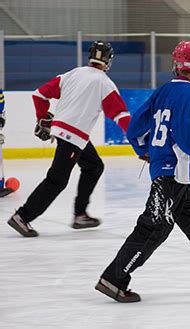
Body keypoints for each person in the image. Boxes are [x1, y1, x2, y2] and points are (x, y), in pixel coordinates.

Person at [95, 41, 190, 303]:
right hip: (170, 174)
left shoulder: (162, 91)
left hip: (174, 174)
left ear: (176, 65)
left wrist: (144, 150)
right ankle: (114, 279)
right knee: (154, 226)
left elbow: (134, 130)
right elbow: (189, 136)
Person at [7, 41, 131, 237]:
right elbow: (121, 116)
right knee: (57, 180)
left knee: (94, 166)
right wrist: (139, 140)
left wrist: (42, 117)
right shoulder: (104, 83)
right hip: (74, 136)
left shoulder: (72, 74)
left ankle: (80, 214)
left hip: (67, 133)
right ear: (108, 60)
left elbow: (39, 95)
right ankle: (22, 216)